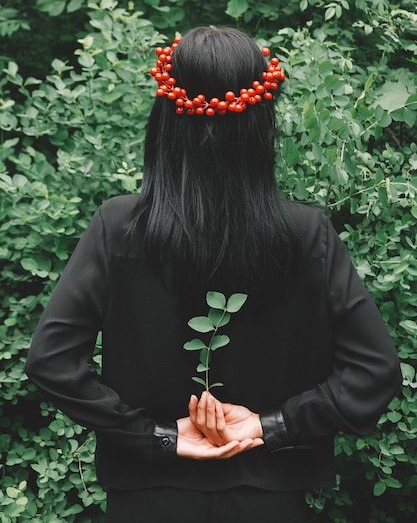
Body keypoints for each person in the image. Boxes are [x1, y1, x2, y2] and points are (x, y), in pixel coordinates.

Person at [26, 26, 402, 523]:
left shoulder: (119, 227)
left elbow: (51, 361)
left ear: (165, 111)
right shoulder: (307, 233)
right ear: (262, 115)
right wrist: (272, 425)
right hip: (271, 501)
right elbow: (375, 372)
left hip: (145, 500)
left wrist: (157, 435)